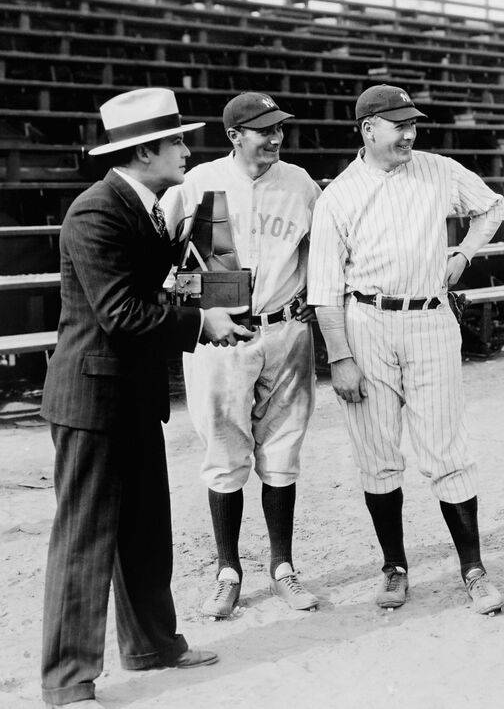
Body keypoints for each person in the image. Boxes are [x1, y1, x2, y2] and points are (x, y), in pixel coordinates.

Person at [39, 88, 252, 709]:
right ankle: (67, 681)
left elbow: (167, 283)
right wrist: (202, 322)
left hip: (131, 395)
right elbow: (121, 313)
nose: (187, 150)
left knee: (145, 527)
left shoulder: (150, 207)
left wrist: (213, 279)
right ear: (144, 151)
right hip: (90, 399)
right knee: (83, 537)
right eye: (177, 141)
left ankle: (153, 645)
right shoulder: (95, 212)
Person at [308, 84, 504, 615]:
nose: (410, 133)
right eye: (399, 125)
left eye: (413, 124)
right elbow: (324, 289)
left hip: (431, 318)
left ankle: (474, 568)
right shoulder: (339, 195)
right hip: (367, 321)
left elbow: (492, 207)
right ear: (368, 129)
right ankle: (394, 566)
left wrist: (464, 252)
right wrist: (340, 357)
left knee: (448, 449)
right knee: (377, 453)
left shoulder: (438, 169)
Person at [161, 92, 322, 618]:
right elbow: (156, 250)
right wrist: (190, 302)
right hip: (219, 332)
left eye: (279, 129)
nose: (275, 137)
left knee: (282, 450)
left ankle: (283, 567)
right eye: (263, 130)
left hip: (283, 330)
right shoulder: (197, 183)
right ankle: (228, 569)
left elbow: (323, 253)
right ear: (235, 135)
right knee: (224, 455)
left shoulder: (300, 184)